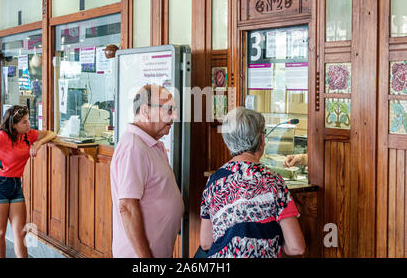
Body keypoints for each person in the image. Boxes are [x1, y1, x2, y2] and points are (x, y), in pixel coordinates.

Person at [199, 107, 306, 258]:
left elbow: (206, 243)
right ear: (262, 140)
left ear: (227, 141)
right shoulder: (273, 181)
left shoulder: (214, 181)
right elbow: (296, 248)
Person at [0, 105, 57, 258]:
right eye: (24, 122)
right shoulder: (2, 136)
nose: (28, 124)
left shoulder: (28, 135)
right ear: (13, 125)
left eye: (28, 120)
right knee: (0, 231)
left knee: (21, 232)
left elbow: (51, 133)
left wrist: (38, 143)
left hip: (15, 185)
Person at [110, 84, 184, 258]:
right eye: (169, 109)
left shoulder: (149, 144)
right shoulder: (134, 148)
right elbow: (127, 207)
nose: (174, 116)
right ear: (145, 111)